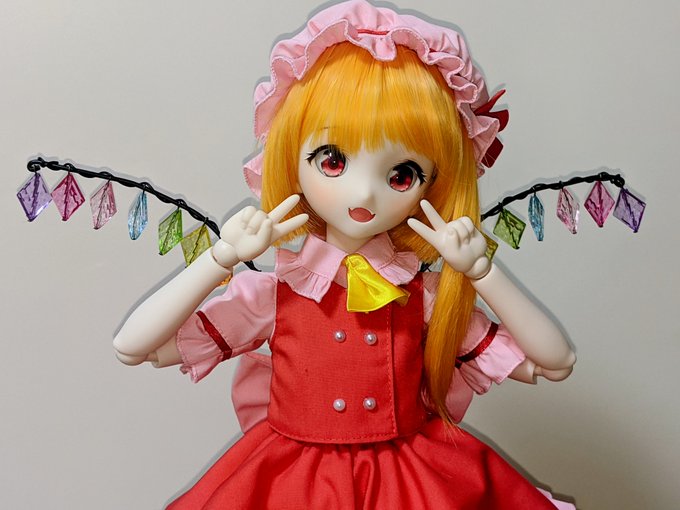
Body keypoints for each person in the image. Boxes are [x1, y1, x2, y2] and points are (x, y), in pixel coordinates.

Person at [113, 1, 576, 508]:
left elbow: (555, 363)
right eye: (333, 160)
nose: (363, 194)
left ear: (434, 183)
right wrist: (219, 258)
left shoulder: (423, 297)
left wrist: (481, 271)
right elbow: (133, 348)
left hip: (409, 485)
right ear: (291, 155)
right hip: (291, 484)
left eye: (401, 174)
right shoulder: (271, 296)